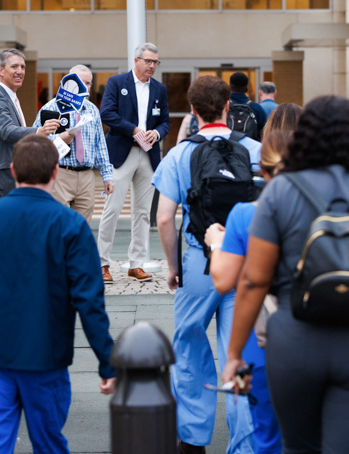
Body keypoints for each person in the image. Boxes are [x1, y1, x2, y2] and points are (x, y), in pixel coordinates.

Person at [223, 96, 349, 454]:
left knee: (299, 447)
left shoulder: (281, 192)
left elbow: (253, 281)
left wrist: (236, 352)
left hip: (295, 339)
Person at [0, 135, 116, 454]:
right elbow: (89, 301)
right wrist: (107, 362)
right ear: (56, 172)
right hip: (46, 356)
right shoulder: (70, 224)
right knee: (49, 443)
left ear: (13, 170)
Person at [153, 75, 262, 454]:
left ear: (193, 111)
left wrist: (173, 267)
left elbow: (165, 217)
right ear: (229, 107)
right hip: (245, 266)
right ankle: (246, 444)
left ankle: (193, 438)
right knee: (243, 353)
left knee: (188, 349)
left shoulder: (180, 154)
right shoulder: (253, 149)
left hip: (199, 263)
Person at [205, 131, 292, 454]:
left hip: (266, 339)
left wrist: (215, 244)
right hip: (321, 336)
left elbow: (225, 281)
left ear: (262, 170)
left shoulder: (245, 214)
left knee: (266, 433)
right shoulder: (328, 210)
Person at [98, 43, 170, 283]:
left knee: (142, 213)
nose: (152, 66)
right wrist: (135, 130)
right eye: (148, 61)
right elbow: (106, 113)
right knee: (112, 209)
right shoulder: (117, 83)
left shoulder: (159, 89)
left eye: (155, 62)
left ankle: (136, 264)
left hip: (148, 155)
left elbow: (166, 122)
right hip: (122, 152)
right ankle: (103, 263)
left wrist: (156, 134)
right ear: (136, 60)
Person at [34, 65, 114, 227]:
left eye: (88, 83)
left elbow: (100, 144)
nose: (85, 87)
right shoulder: (50, 108)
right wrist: (60, 138)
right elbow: (35, 143)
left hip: (86, 177)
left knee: (81, 228)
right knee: (58, 225)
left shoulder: (91, 110)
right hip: (60, 174)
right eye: (80, 82)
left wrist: (107, 175)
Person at [0, 49, 59, 203]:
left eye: (22, 67)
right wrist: (39, 131)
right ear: (0, 70)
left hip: (8, 179)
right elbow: (7, 131)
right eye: (14, 66)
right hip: (1, 182)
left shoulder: (10, 97)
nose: (20, 71)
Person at [229, 72, 267, 139]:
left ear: (230, 87)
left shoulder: (222, 107)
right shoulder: (256, 108)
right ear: (246, 88)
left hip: (227, 147)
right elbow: (264, 132)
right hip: (251, 148)